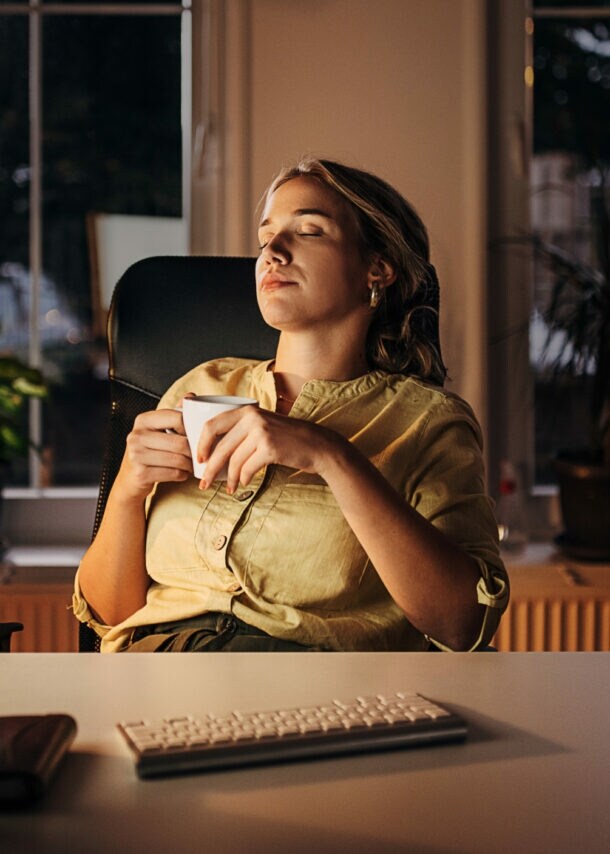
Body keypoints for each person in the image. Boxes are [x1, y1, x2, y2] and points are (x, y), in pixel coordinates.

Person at [73, 158, 509, 652]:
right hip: (153, 674)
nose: (272, 253)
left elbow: (462, 626)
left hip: (311, 694)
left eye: (308, 231)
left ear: (378, 267)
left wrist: (331, 455)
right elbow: (112, 615)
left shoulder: (428, 423)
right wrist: (129, 491)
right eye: (265, 238)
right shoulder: (201, 383)